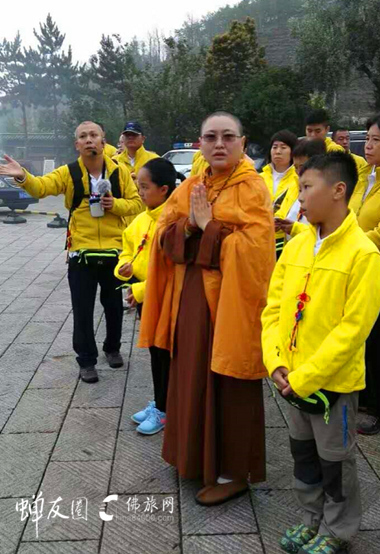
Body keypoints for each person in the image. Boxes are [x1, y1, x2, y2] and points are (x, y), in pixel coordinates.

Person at [138, 111, 275, 506]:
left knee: (230, 380)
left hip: (231, 303)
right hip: (191, 298)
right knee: (191, 373)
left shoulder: (252, 188)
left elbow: (255, 252)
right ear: (199, 143)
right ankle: (192, 456)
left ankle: (234, 472)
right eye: (210, 136)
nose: (219, 143)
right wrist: (192, 228)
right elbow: (163, 232)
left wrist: (209, 226)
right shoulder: (193, 184)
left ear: (242, 142)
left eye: (228, 136)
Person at [262, 152, 380, 554]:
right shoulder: (297, 246)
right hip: (291, 380)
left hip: (332, 386)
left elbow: (353, 331)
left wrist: (307, 377)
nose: (299, 198)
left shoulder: (363, 255)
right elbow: (274, 309)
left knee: (335, 462)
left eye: (306, 188)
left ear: (338, 191)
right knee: (304, 457)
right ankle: (310, 519)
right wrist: (276, 361)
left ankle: (337, 530)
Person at [0, 121, 142, 384]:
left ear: (103, 141)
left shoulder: (120, 172)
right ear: (77, 144)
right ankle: (86, 360)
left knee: (113, 307)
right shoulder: (68, 172)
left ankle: (112, 348)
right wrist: (22, 176)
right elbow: (41, 187)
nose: (89, 140)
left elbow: (136, 202)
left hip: (114, 251)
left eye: (94, 135)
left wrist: (115, 204)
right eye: (83, 136)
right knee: (83, 309)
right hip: (81, 253)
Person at [114, 158, 176, 435]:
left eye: (144, 187)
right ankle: (161, 402)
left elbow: (174, 270)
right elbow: (126, 250)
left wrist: (139, 290)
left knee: (165, 354)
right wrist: (123, 269)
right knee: (155, 353)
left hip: (166, 298)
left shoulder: (174, 221)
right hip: (145, 297)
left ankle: (165, 408)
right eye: (138, 186)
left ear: (164, 189)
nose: (140, 192)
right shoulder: (141, 219)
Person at [349, 111, 380, 435]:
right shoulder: (366, 174)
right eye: (366, 139)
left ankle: (375, 408)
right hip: (358, 274)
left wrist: (350, 248)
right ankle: (359, 397)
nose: (367, 145)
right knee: (361, 339)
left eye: (375, 140)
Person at [274, 139, 326, 257]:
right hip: (292, 254)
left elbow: (324, 234)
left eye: (302, 166)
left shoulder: (325, 194)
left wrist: (295, 228)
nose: (298, 172)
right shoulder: (294, 186)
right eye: (295, 167)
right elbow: (284, 211)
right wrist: (278, 222)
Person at [260, 130, 298, 208]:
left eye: (283, 147)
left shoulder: (298, 179)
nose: (278, 151)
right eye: (274, 147)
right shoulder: (259, 178)